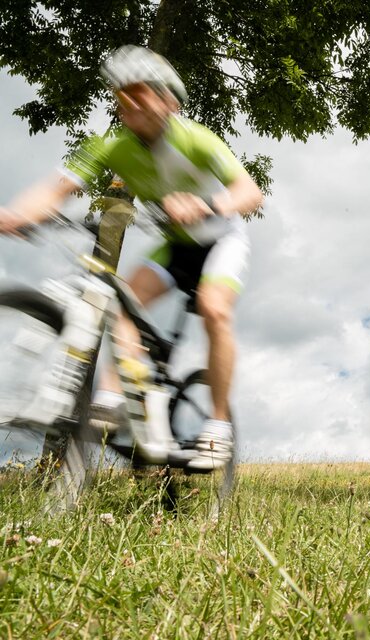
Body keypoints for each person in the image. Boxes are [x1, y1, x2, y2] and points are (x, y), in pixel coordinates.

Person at [0, 45, 263, 470]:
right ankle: (112, 400)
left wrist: (207, 205)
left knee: (215, 310)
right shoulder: (113, 146)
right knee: (119, 306)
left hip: (221, 239)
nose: (128, 102)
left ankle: (218, 425)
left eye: (139, 93)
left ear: (167, 100)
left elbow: (250, 194)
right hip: (175, 245)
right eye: (122, 95)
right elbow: (56, 187)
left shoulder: (196, 138)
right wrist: (17, 214)